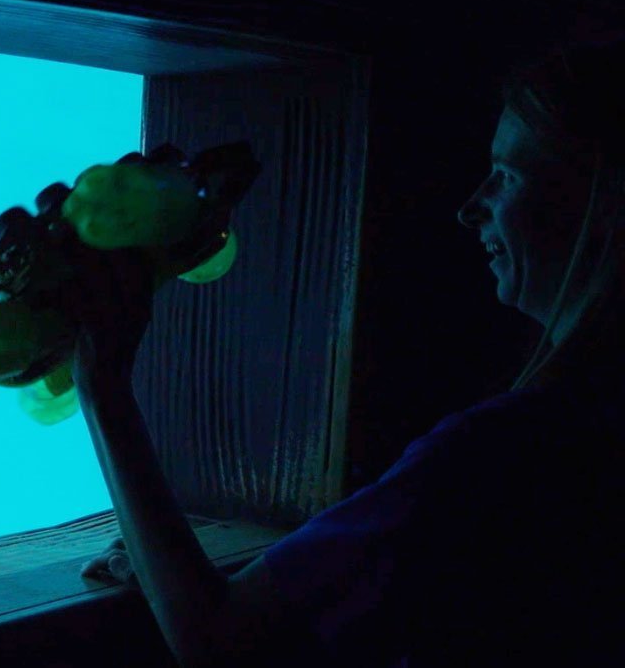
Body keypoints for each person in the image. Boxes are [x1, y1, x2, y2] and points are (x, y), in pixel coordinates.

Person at [71, 40, 625, 666]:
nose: (469, 208)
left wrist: (103, 381)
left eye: (508, 174)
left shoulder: (499, 452)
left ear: (602, 202)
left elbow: (218, 642)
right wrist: (166, 561)